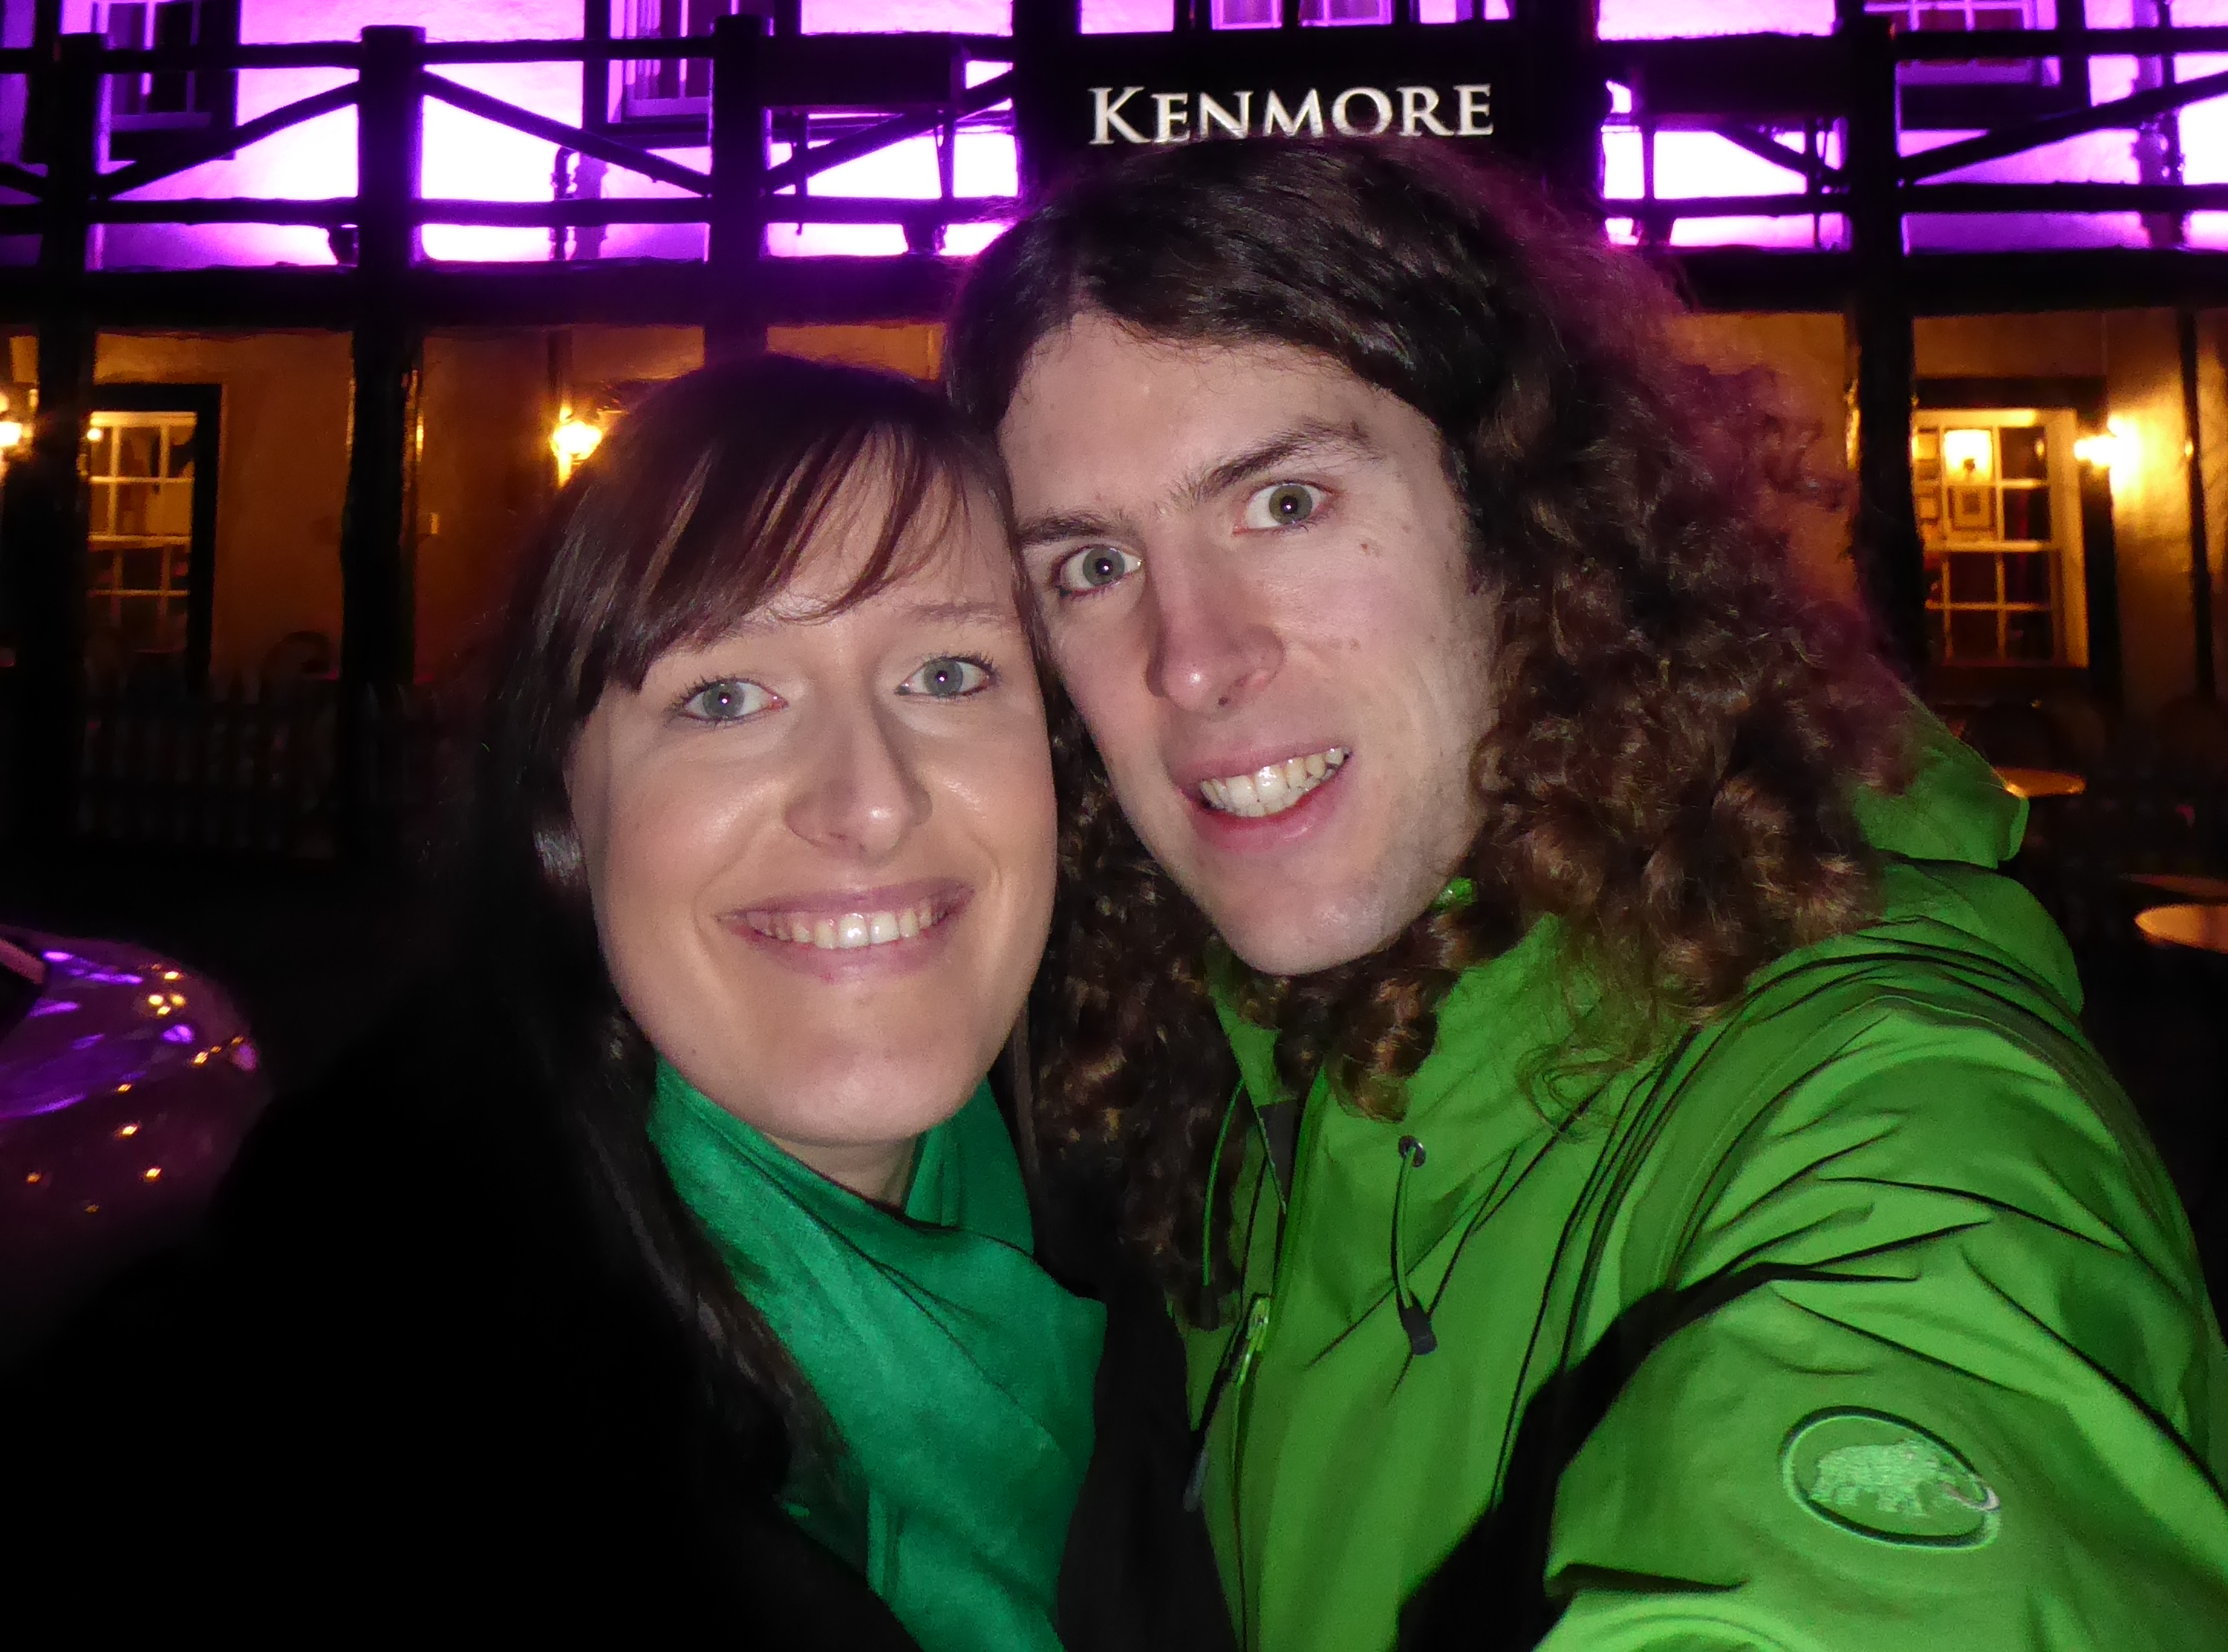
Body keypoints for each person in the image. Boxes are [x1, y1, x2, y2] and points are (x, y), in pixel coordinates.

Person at [947, 140, 2228, 1651]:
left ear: (1519, 522)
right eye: (1093, 565)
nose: (1193, 658)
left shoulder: (1885, 1096)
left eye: (1286, 501)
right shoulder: (1241, 1056)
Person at [4, 359, 1225, 1649]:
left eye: (948, 675)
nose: (870, 802)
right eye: (726, 697)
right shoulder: (299, 1404)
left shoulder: (1181, 1218)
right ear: (563, 817)